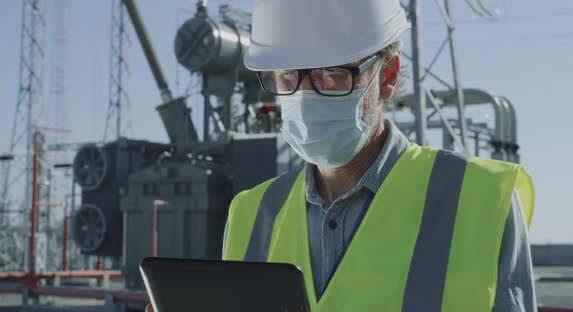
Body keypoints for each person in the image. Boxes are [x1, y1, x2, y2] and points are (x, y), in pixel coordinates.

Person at [148, 0, 536, 311]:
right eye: (288, 77)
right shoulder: (250, 213)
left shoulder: (482, 198)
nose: (305, 95)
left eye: (329, 74)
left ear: (386, 76)